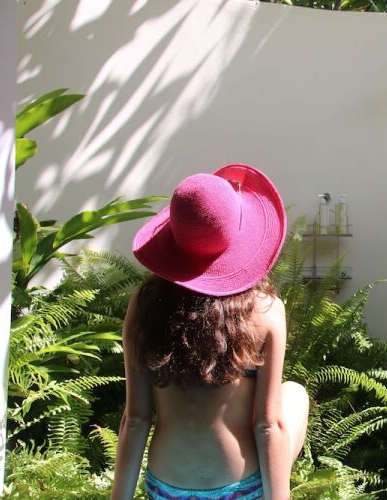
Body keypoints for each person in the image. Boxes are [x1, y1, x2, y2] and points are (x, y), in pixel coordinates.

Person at [111, 164, 309, 500]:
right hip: (240, 488)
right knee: (294, 394)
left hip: (166, 487)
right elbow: (268, 425)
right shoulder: (265, 311)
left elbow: (136, 419)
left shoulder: (144, 306)